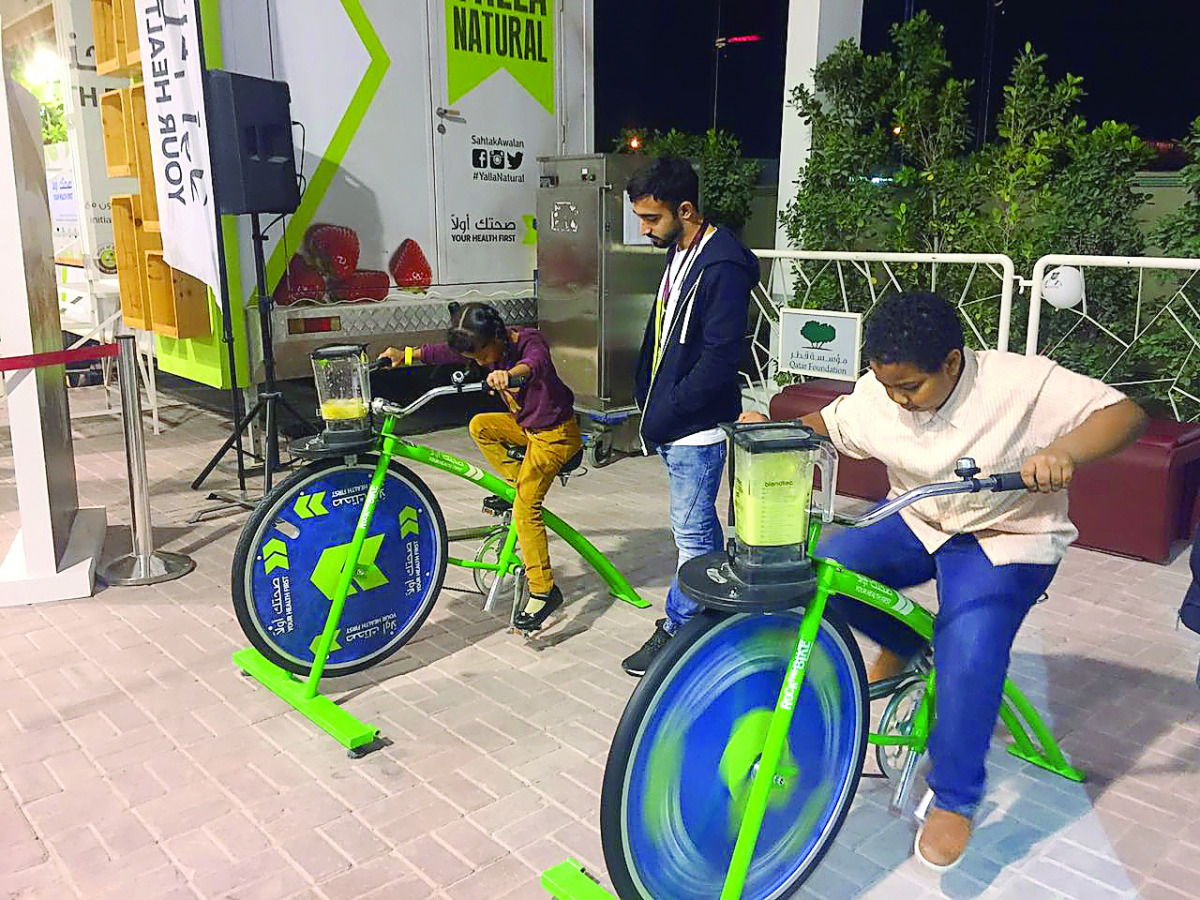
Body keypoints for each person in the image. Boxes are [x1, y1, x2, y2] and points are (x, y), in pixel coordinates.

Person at [740, 292, 1146, 870]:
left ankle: (955, 796)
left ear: (952, 362)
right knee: (827, 567)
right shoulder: (881, 392)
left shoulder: (1019, 383)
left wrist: (1063, 451)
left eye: (910, 387)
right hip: (918, 518)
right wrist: (774, 427)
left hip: (1006, 536)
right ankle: (907, 641)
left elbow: (1125, 414)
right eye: (887, 386)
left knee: (970, 650)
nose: (897, 400)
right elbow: (827, 424)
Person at [620, 157, 759, 677]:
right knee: (696, 530)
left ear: (685, 210)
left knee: (693, 537)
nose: (644, 229)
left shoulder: (721, 266)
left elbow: (720, 358)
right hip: (673, 420)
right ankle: (716, 620)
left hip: (695, 428)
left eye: (651, 218)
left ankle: (682, 629)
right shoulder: (680, 251)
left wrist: (671, 407)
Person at [380, 302, 581, 633]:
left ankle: (544, 591)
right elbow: (443, 352)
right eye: (476, 359)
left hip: (555, 437)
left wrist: (509, 375)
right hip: (527, 429)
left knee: (526, 509)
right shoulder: (486, 347)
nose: (483, 362)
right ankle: (516, 484)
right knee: (480, 426)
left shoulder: (528, 342)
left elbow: (534, 364)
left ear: (497, 336)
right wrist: (407, 355)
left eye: (484, 355)